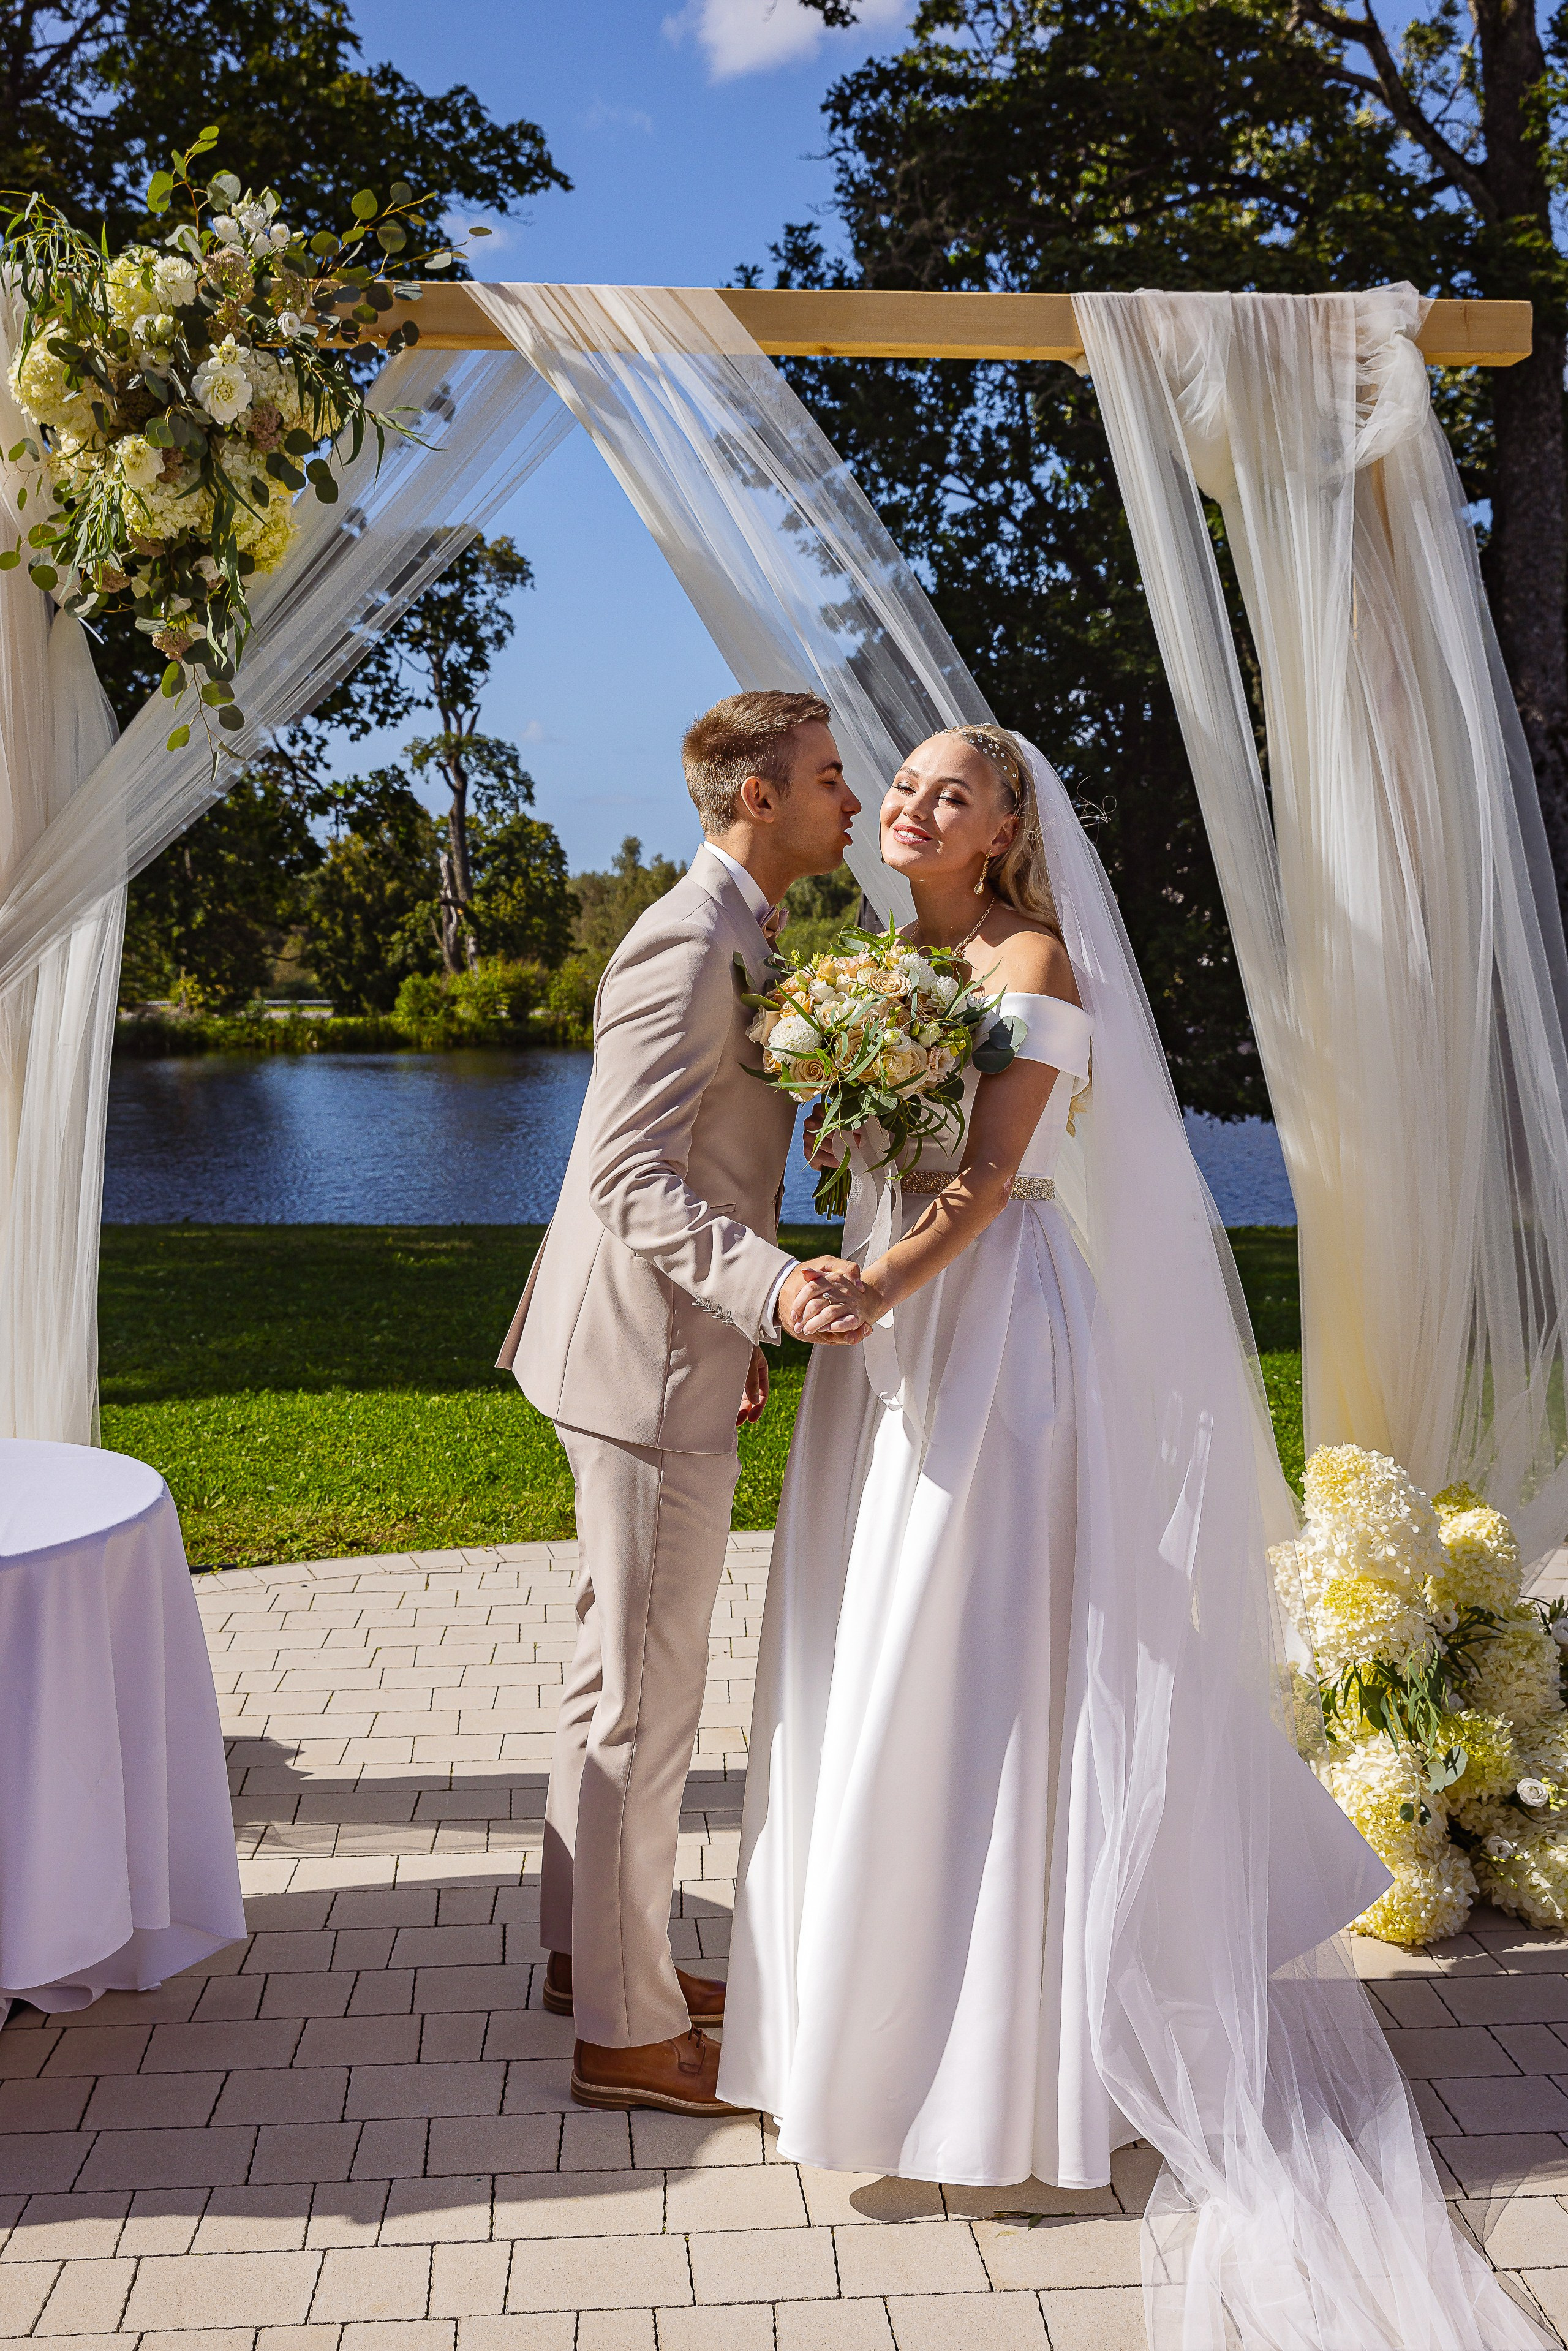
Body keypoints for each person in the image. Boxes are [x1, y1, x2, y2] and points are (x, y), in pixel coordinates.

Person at [720, 725, 1545, 2350]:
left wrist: (872, 1283)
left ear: (1012, 823)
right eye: (900, 785)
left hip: (993, 1351)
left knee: (985, 1664)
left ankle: (1022, 2078)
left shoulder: (1030, 954)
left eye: (951, 789)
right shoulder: (895, 953)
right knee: (872, 1648)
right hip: (884, 1339)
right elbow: (872, 1158)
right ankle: (863, 2034)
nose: (910, 803)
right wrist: (841, 1130)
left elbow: (997, 1174)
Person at [497, 689, 868, 2119]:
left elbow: (699, 1160)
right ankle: (629, 2036)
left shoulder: (748, 933)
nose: (853, 800)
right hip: (638, 1370)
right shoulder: (686, 935)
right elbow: (624, 1176)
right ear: (757, 796)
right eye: (831, 778)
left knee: (613, 1678)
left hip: (657, 1344)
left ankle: (592, 1962)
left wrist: (737, 1312)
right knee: (647, 1701)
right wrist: (771, 1288)